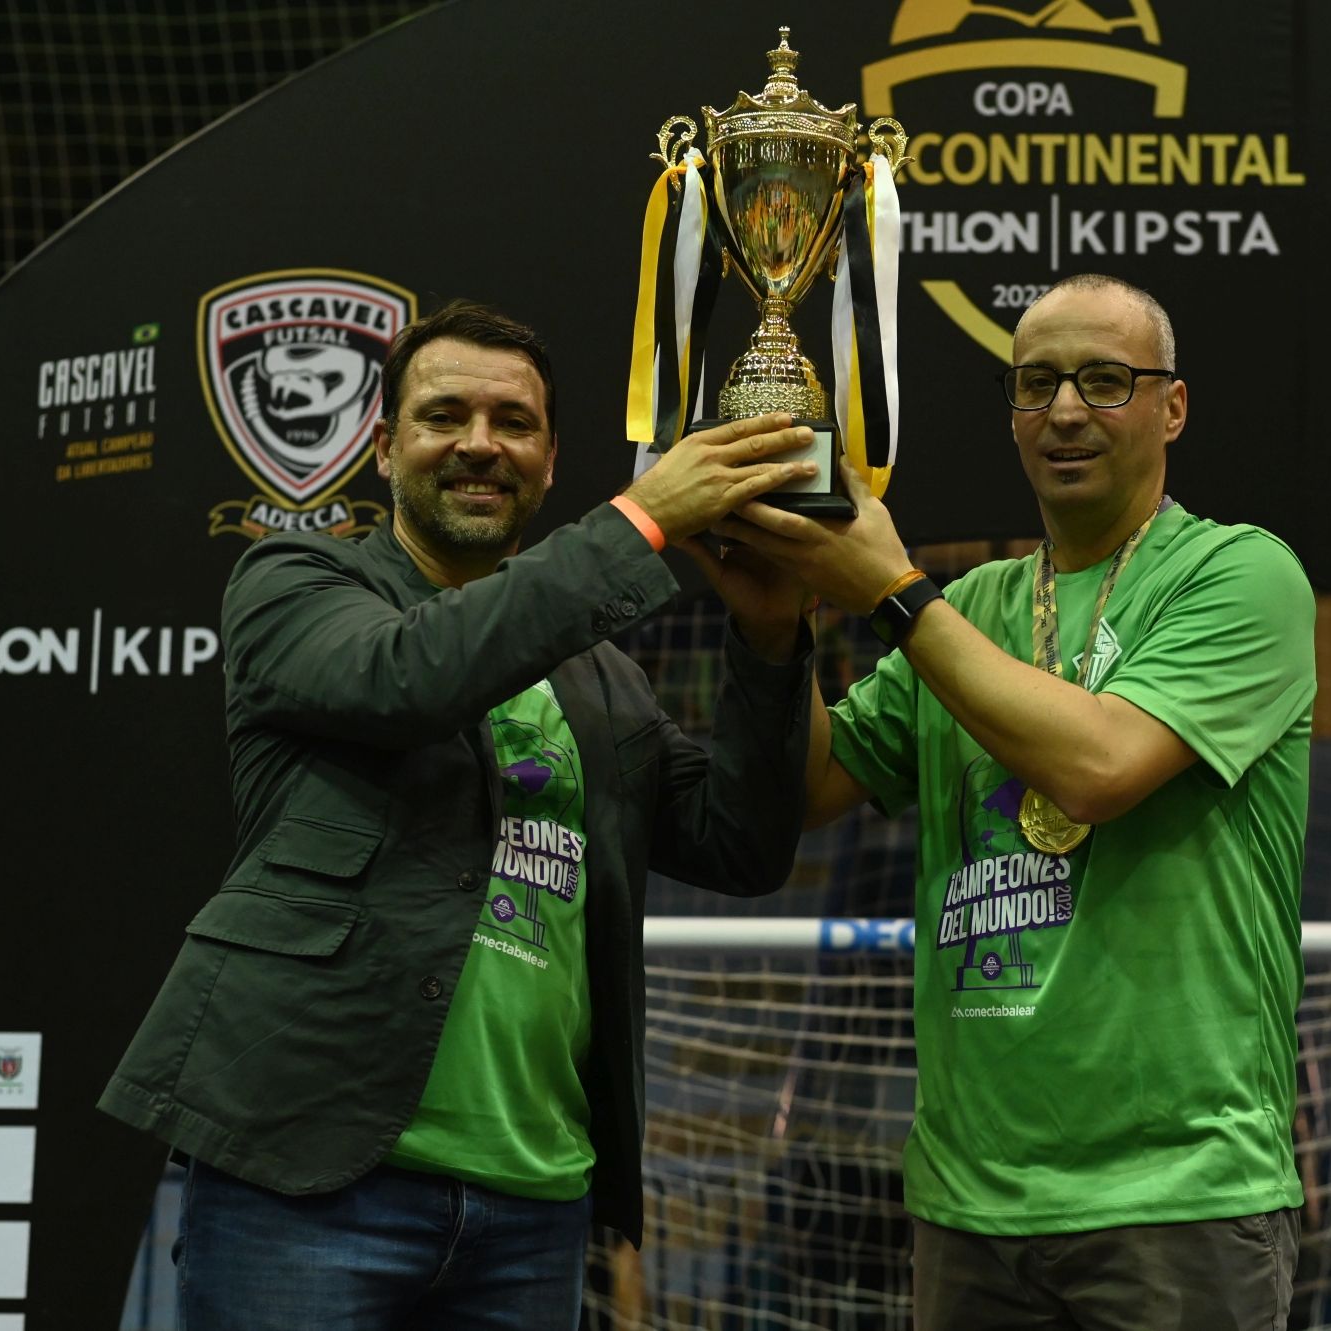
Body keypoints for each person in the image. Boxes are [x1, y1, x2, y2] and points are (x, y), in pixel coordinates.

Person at [99, 299, 823, 1329]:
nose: (480, 444)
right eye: (445, 415)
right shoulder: (296, 584)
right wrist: (637, 522)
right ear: (386, 445)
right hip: (309, 1177)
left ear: (550, 456)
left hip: (530, 1200)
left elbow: (739, 843)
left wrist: (763, 633)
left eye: (513, 422)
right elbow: (409, 679)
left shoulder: (602, 677)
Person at [722, 274, 1317, 1330]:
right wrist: (779, 631)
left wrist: (894, 593)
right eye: (1035, 383)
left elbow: (1096, 767)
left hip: (1176, 1197)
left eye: (1103, 379)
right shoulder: (979, 606)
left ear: (1170, 406)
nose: (1066, 411)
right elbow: (807, 791)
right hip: (967, 1203)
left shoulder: (1241, 574)